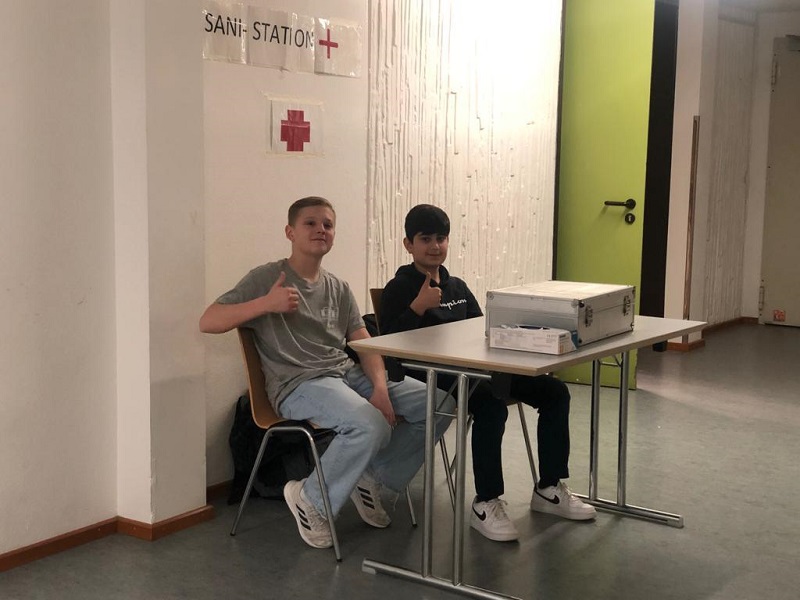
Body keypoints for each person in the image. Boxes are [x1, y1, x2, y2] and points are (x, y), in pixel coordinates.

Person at [199, 196, 452, 550]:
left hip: (345, 375)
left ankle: (373, 479)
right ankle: (311, 498)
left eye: (328, 225)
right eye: (311, 223)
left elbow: (365, 344)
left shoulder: (338, 287)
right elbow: (208, 321)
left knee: (440, 403)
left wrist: (380, 389)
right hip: (298, 384)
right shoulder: (267, 278)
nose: (321, 230)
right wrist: (265, 304)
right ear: (290, 232)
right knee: (370, 424)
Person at [379, 204, 596, 543]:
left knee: (554, 392)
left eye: (441, 238)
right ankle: (486, 502)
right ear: (409, 244)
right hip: (433, 375)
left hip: (476, 369)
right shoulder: (398, 288)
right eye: (425, 239)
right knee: (491, 405)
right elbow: (389, 346)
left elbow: (484, 331)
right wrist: (417, 307)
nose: (435, 246)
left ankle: (549, 488)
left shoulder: (457, 287)